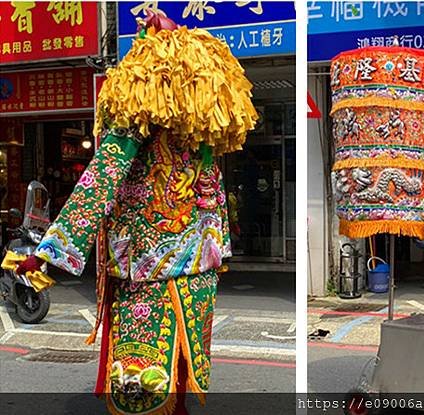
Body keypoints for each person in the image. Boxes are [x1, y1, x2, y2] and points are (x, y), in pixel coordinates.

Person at [16, 10, 258, 415]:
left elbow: (104, 173)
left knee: (142, 373)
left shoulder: (138, 103)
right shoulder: (198, 123)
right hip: (199, 261)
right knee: (179, 363)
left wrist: (47, 250)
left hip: (147, 263)